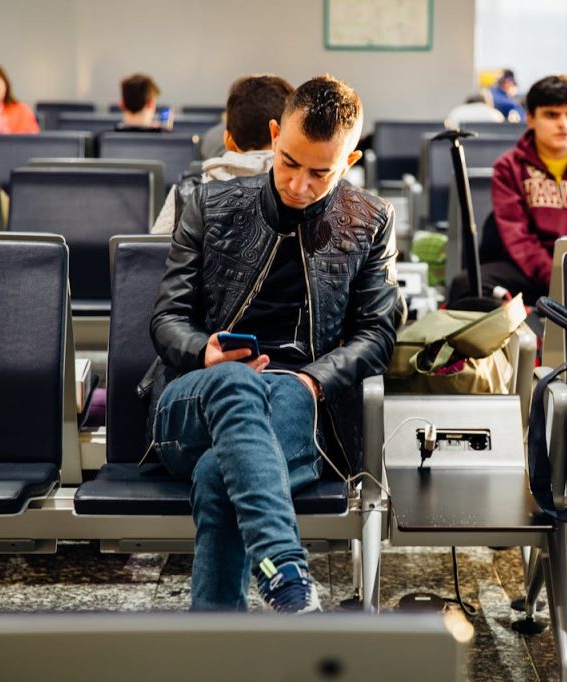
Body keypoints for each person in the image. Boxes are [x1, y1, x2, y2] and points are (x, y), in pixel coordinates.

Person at [148, 75, 399, 613]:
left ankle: (224, 644)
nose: (299, 184)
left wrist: (312, 380)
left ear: (350, 160)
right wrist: (204, 352)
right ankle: (285, 568)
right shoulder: (209, 204)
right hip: (195, 399)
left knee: (222, 473)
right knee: (237, 382)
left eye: (320, 172)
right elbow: (167, 319)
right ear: (273, 134)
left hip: (298, 408)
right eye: (288, 162)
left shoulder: (370, 220)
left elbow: (378, 334)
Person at [448, 74, 567, 306]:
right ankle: (525, 329)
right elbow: (518, 239)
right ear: (531, 119)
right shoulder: (509, 167)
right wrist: (557, 280)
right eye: (552, 115)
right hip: (529, 273)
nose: (564, 124)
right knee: (465, 285)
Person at [151, 75, 293, 233]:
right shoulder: (304, 192)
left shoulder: (186, 191)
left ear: (228, 140)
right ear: (284, 136)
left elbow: (154, 252)